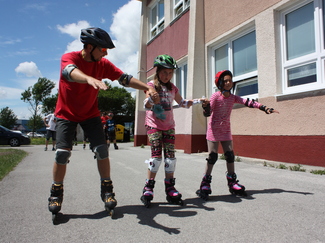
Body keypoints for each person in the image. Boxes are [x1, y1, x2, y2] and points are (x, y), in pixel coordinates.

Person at [48, 27, 159, 220]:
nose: (106, 53)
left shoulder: (103, 64)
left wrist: (146, 88)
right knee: (62, 154)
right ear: (90, 47)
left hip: (90, 113)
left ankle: (107, 189)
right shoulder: (70, 58)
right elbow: (69, 72)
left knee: (102, 150)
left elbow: (124, 78)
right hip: (66, 114)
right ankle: (56, 192)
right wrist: (88, 78)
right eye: (103, 49)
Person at [196, 70, 279, 200]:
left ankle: (232, 182)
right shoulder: (215, 97)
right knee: (212, 156)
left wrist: (264, 107)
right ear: (220, 83)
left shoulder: (233, 97)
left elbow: (248, 102)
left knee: (230, 155)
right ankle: (205, 184)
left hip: (226, 130)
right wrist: (205, 106)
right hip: (214, 130)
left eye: (230, 80)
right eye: (226, 81)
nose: (229, 83)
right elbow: (207, 114)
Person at [140, 54, 203, 207]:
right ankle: (148, 188)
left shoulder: (173, 88)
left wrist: (198, 101)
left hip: (169, 126)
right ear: (158, 71)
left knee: (170, 158)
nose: (167, 76)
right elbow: (146, 105)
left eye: (170, 73)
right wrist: (150, 99)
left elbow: (182, 102)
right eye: (164, 72)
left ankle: (170, 187)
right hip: (154, 124)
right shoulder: (151, 85)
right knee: (156, 157)